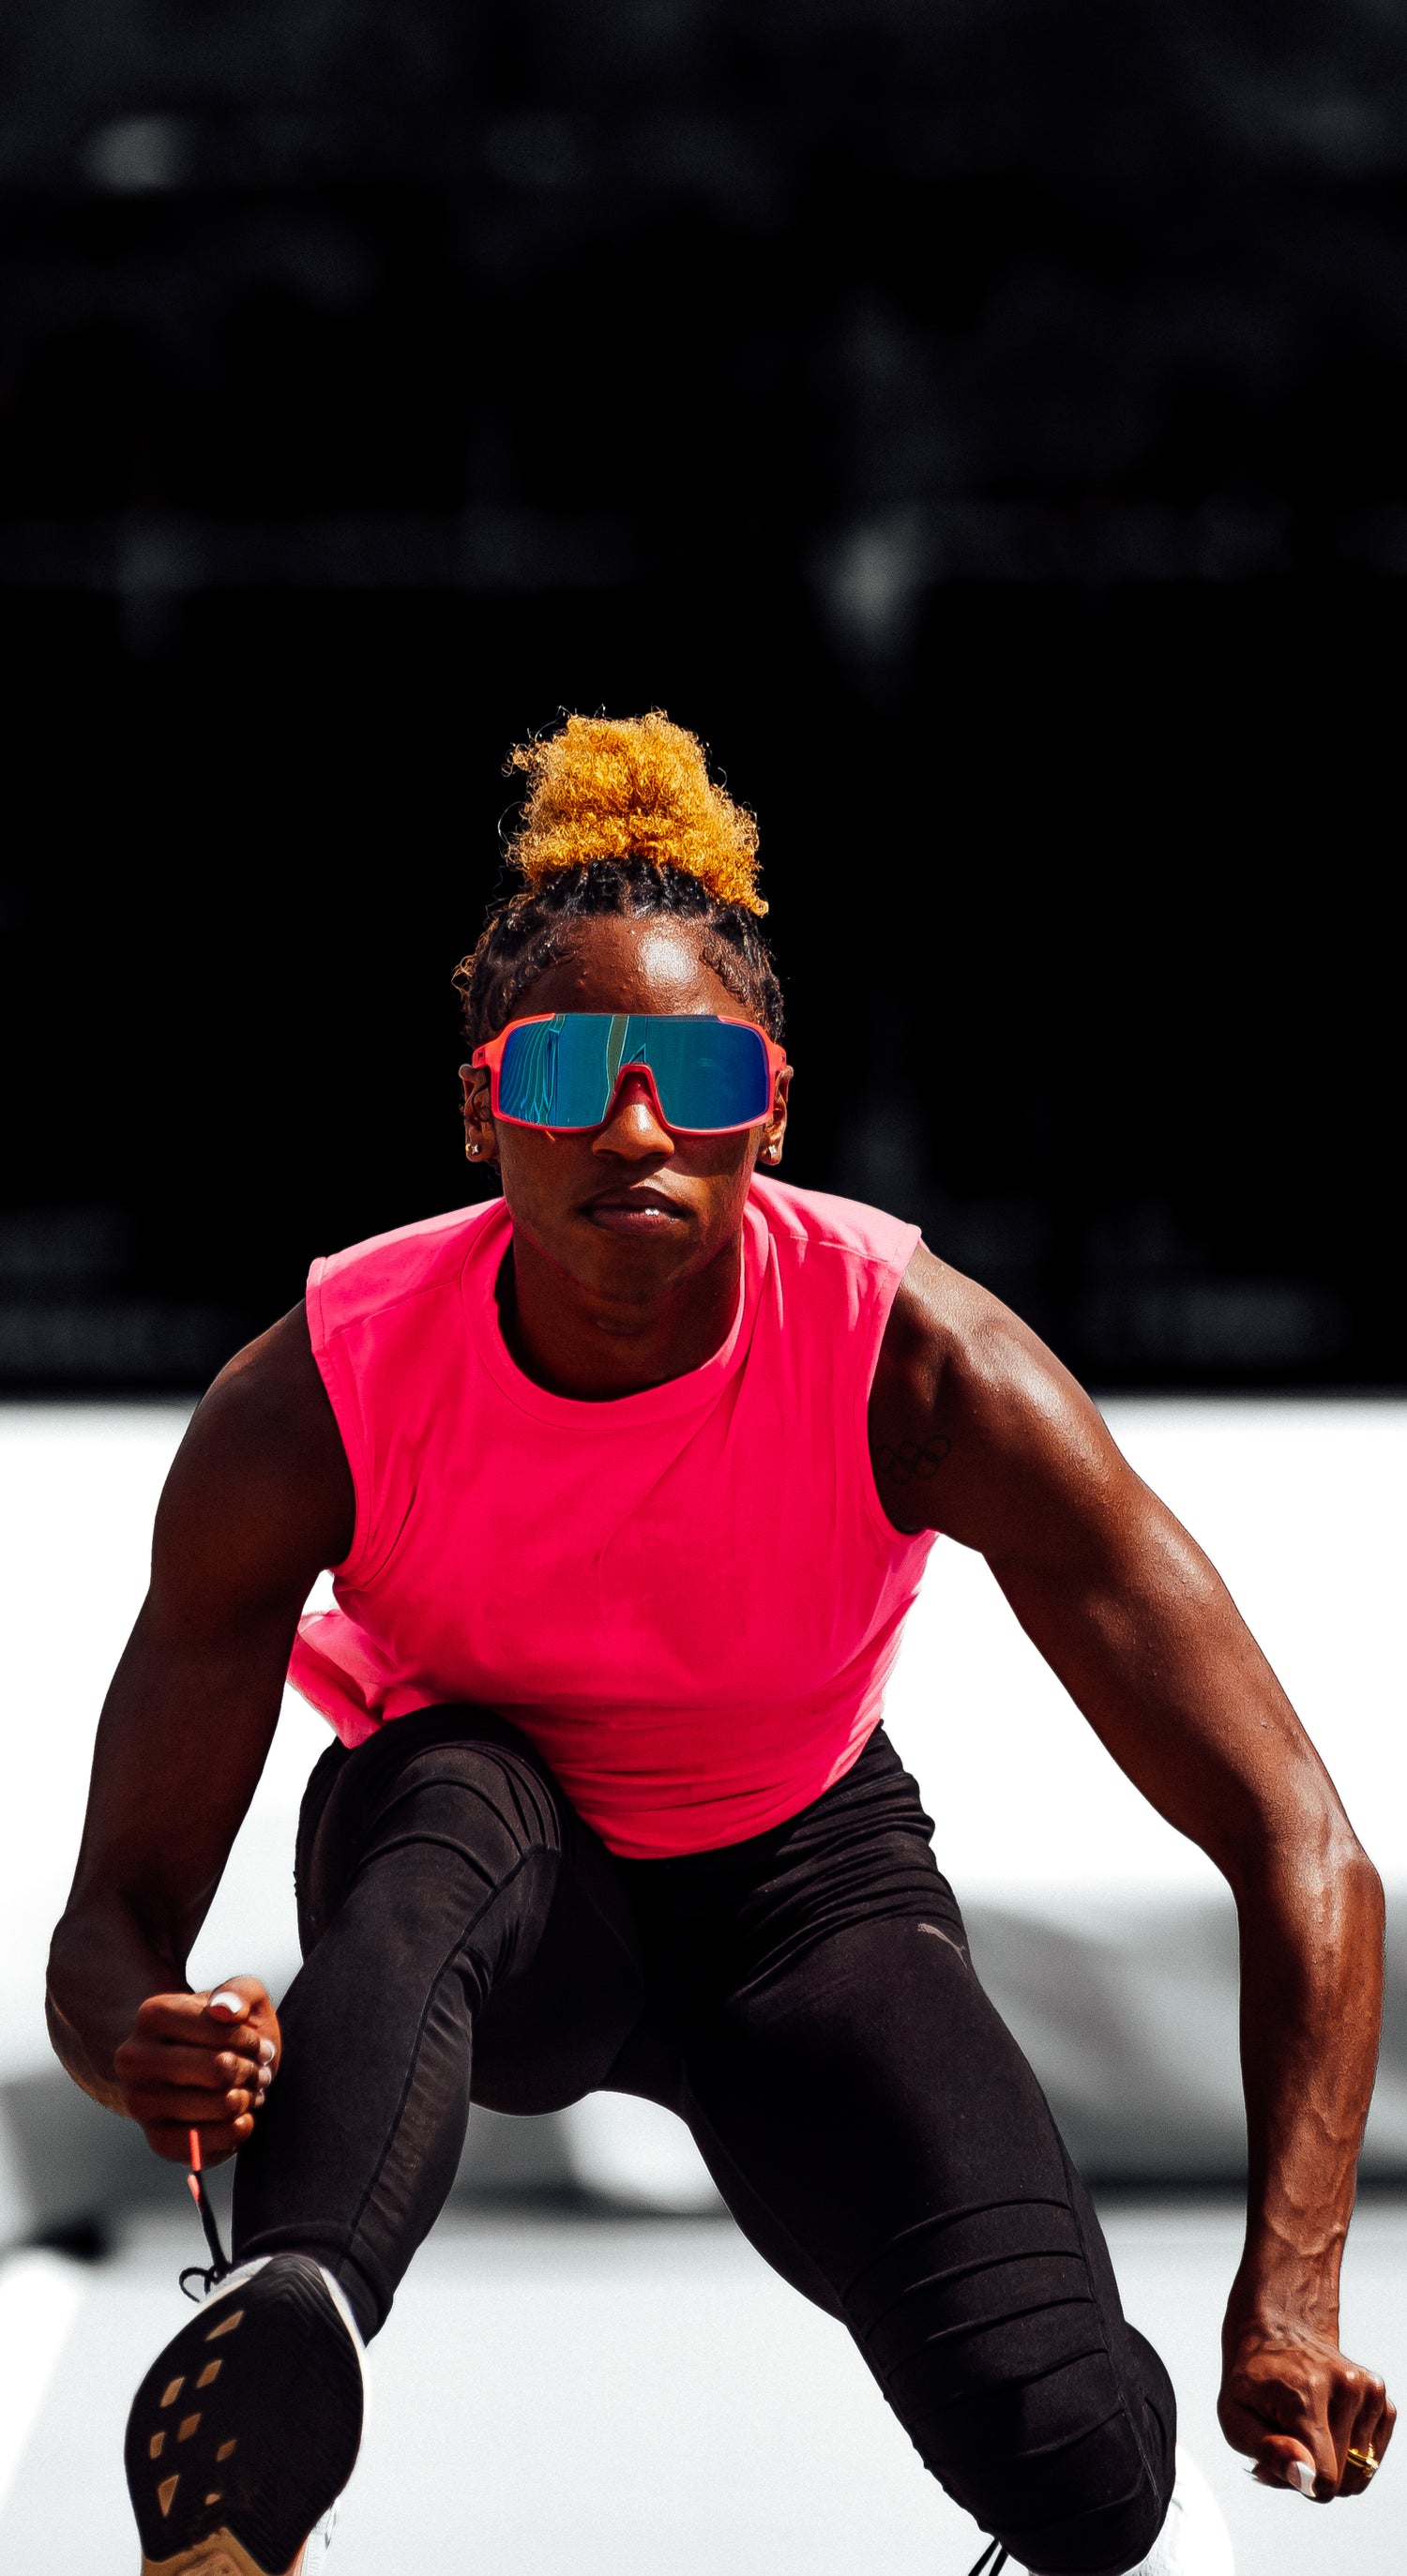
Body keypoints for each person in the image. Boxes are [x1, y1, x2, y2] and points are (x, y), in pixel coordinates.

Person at [49, 712, 1390, 2576]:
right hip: (487, 1888)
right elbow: (108, 1926)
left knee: (1090, 2470)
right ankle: (263, 2401)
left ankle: (1089, 2430)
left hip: (799, 1886)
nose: (633, 1126)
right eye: (566, 1068)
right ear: (479, 1108)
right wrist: (145, 2040)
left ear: (770, 1107)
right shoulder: (313, 1399)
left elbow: (1299, 1836)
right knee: (454, 1794)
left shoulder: (926, 1367)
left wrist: (1293, 2284)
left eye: (694, 1070)